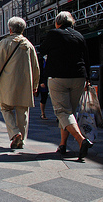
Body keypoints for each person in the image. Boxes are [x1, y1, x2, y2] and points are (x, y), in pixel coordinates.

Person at [39, 11, 93, 160]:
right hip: (78, 77)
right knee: (70, 112)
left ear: (57, 23)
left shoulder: (54, 34)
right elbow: (87, 58)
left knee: (62, 112)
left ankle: (81, 140)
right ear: (72, 22)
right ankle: (62, 144)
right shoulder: (79, 36)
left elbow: (42, 50)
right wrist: (87, 77)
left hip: (58, 77)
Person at [0, 17, 39, 149]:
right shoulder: (29, 45)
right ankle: (21, 140)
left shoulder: (4, 43)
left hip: (8, 83)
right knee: (23, 112)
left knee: (5, 108)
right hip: (25, 84)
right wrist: (35, 85)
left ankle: (15, 133)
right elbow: (36, 67)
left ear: (10, 29)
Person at [37, 54, 49, 120]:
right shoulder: (41, 59)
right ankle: (43, 113)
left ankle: (58, 115)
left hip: (52, 79)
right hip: (44, 81)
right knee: (44, 97)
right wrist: (40, 81)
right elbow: (39, 70)